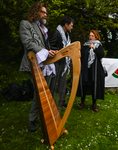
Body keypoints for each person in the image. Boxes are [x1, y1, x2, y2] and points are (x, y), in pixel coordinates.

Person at [19, 2, 57, 132]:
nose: (45, 14)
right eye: (43, 12)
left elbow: (45, 45)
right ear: (36, 12)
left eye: (46, 13)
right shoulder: (25, 24)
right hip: (33, 64)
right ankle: (32, 120)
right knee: (38, 94)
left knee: (45, 92)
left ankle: (44, 117)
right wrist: (46, 52)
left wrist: (51, 52)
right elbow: (28, 43)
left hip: (45, 64)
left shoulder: (43, 28)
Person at [48, 16, 74, 109]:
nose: (72, 27)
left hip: (64, 64)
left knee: (63, 83)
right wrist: (61, 51)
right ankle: (50, 102)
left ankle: (61, 102)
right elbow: (50, 47)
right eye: (71, 25)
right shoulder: (56, 33)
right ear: (66, 25)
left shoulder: (66, 35)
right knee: (53, 83)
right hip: (56, 63)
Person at [77, 30, 105, 112]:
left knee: (94, 86)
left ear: (96, 37)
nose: (90, 37)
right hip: (86, 69)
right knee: (84, 85)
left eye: (92, 36)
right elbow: (81, 56)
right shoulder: (85, 45)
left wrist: (94, 48)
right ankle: (82, 102)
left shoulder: (99, 45)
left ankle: (94, 104)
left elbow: (101, 55)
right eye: (89, 35)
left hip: (95, 70)